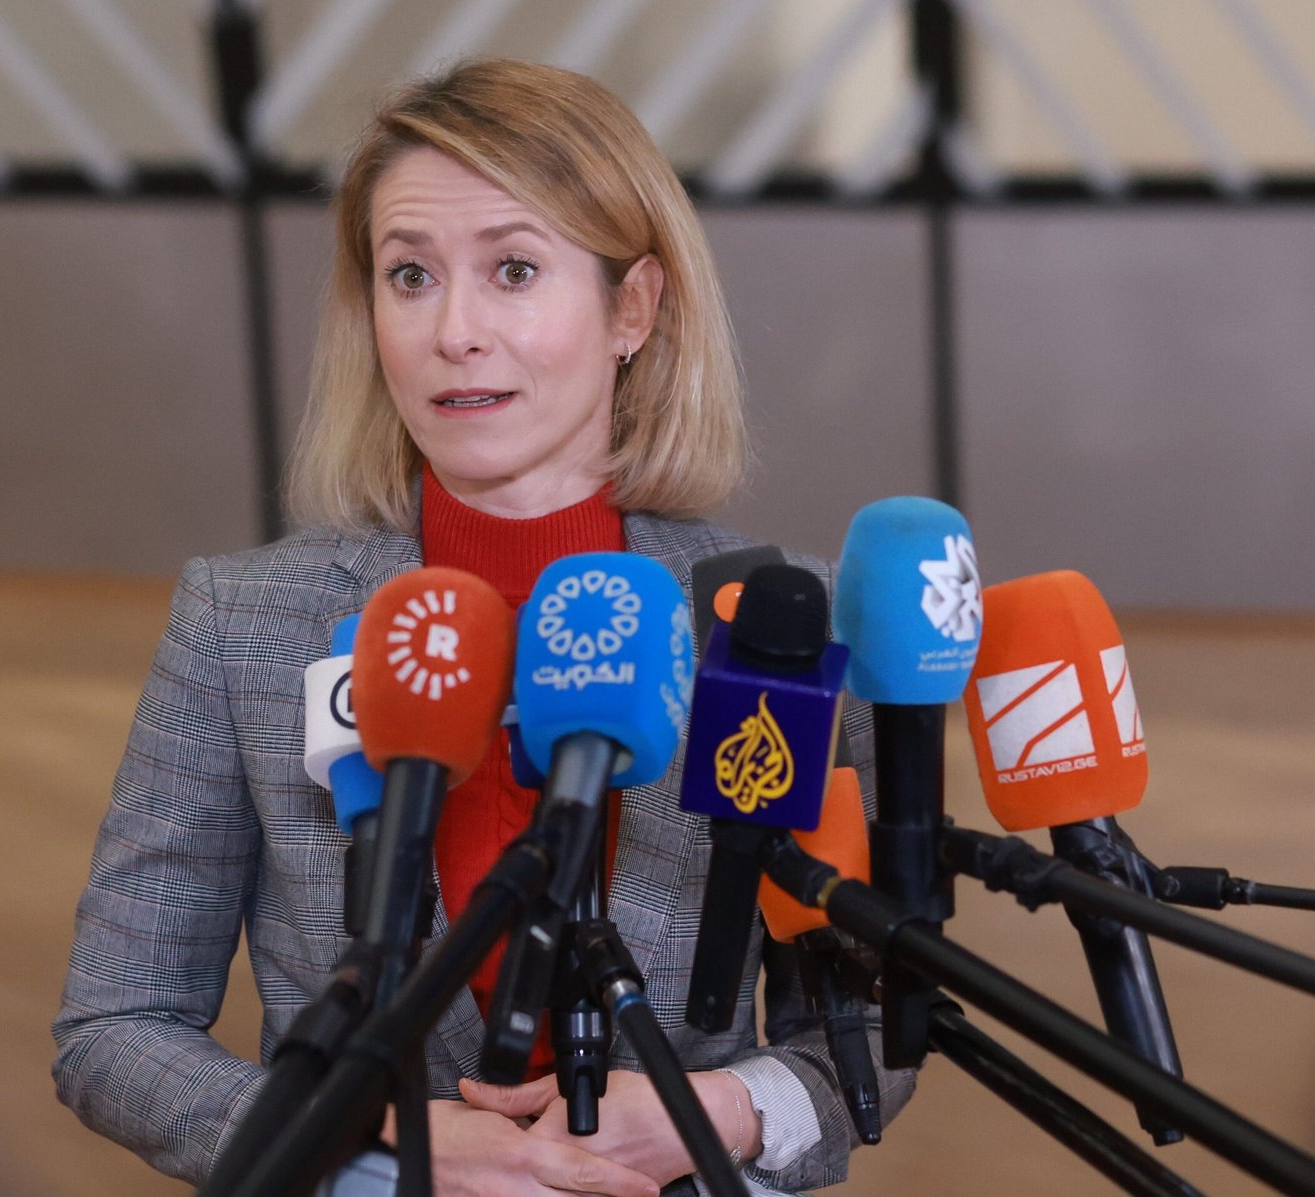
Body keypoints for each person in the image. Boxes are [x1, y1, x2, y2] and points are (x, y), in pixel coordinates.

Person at [53, 58, 913, 1196]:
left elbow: (867, 1027)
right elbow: (115, 1025)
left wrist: (718, 1111)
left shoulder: (772, 623)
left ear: (632, 307)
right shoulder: (242, 621)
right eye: (409, 275)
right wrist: (371, 1127)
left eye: (513, 269)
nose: (453, 331)